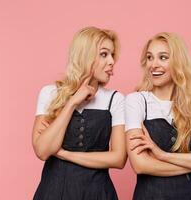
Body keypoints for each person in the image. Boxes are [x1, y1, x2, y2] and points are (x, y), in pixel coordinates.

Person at [125, 32, 191, 200]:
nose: (153, 65)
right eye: (150, 58)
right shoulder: (136, 101)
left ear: (178, 63)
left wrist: (162, 155)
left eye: (163, 58)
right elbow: (140, 165)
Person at [32, 26, 127, 200]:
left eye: (113, 55)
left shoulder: (116, 99)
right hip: (54, 192)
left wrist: (63, 153)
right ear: (85, 55)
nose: (112, 61)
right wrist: (72, 103)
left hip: (98, 193)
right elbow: (43, 151)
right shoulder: (50, 93)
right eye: (104, 54)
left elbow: (119, 159)